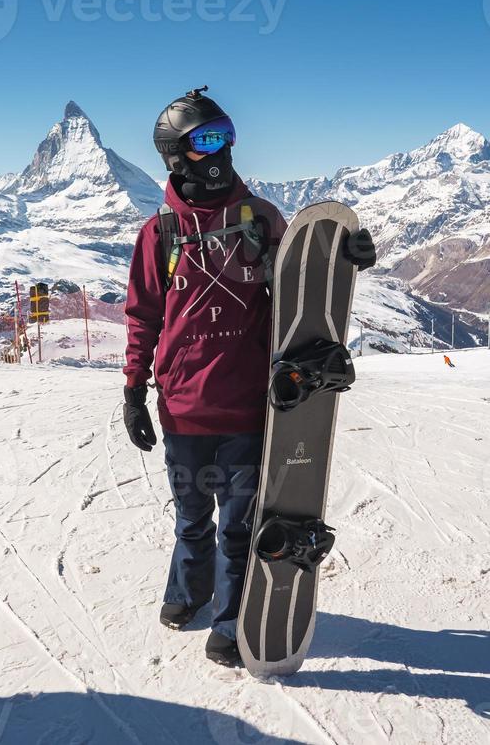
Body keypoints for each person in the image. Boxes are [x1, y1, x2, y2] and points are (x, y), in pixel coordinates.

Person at [122, 87, 376, 666]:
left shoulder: (258, 218)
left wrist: (346, 256)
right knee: (191, 517)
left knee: (238, 525)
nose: (222, 150)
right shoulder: (158, 233)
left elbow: (304, 285)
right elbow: (142, 316)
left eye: (226, 135)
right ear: (174, 153)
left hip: (246, 405)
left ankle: (233, 618)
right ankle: (190, 591)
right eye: (206, 139)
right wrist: (134, 392)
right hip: (183, 406)